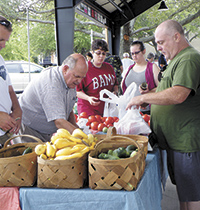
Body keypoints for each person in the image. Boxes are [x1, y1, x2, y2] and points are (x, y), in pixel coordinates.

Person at [126, 20, 200, 210]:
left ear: (176, 37)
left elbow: (178, 94)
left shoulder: (188, 58)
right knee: (184, 194)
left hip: (186, 140)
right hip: (177, 140)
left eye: (161, 42)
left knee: (192, 197)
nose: (158, 48)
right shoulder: (177, 58)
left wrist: (144, 99)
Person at [19, 53, 88, 142]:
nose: (79, 81)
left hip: (45, 132)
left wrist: (75, 127)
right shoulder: (51, 83)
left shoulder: (69, 81)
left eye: (82, 78)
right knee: (31, 156)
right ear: (65, 69)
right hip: (29, 130)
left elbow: (68, 108)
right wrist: (83, 139)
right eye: (77, 76)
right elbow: (59, 122)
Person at [76, 39, 118, 116]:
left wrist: (114, 92)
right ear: (92, 53)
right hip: (88, 110)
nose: (101, 56)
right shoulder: (85, 68)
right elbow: (77, 91)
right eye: (98, 53)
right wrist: (88, 98)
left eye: (103, 54)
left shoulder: (109, 68)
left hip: (106, 110)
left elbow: (115, 85)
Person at [0, 16, 22, 145]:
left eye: (5, 41)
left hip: (4, 134)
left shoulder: (0, 59)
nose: (3, 45)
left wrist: (17, 109)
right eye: (0, 40)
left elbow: (9, 89)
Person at [122, 40, 160, 114]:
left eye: (137, 53)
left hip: (148, 110)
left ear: (144, 51)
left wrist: (149, 92)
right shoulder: (129, 69)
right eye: (132, 53)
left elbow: (162, 87)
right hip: (130, 111)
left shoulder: (153, 67)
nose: (134, 56)